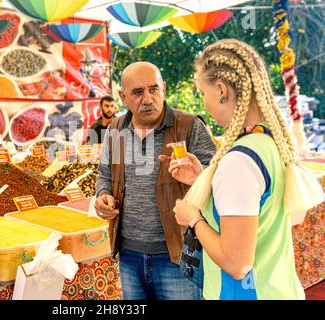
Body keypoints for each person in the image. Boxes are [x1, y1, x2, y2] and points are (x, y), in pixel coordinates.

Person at [173, 39, 321, 300]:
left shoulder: (239, 162)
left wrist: (193, 219)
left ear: (221, 90)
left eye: (202, 93)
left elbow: (237, 264)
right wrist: (202, 180)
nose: (204, 104)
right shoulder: (268, 142)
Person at [94, 61, 217, 300]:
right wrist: (102, 195)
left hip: (179, 253)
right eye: (138, 92)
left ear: (164, 89)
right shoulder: (115, 129)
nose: (148, 98)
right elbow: (105, 174)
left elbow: (217, 180)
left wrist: (198, 176)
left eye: (154, 89)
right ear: (123, 97)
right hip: (128, 255)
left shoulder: (189, 126)